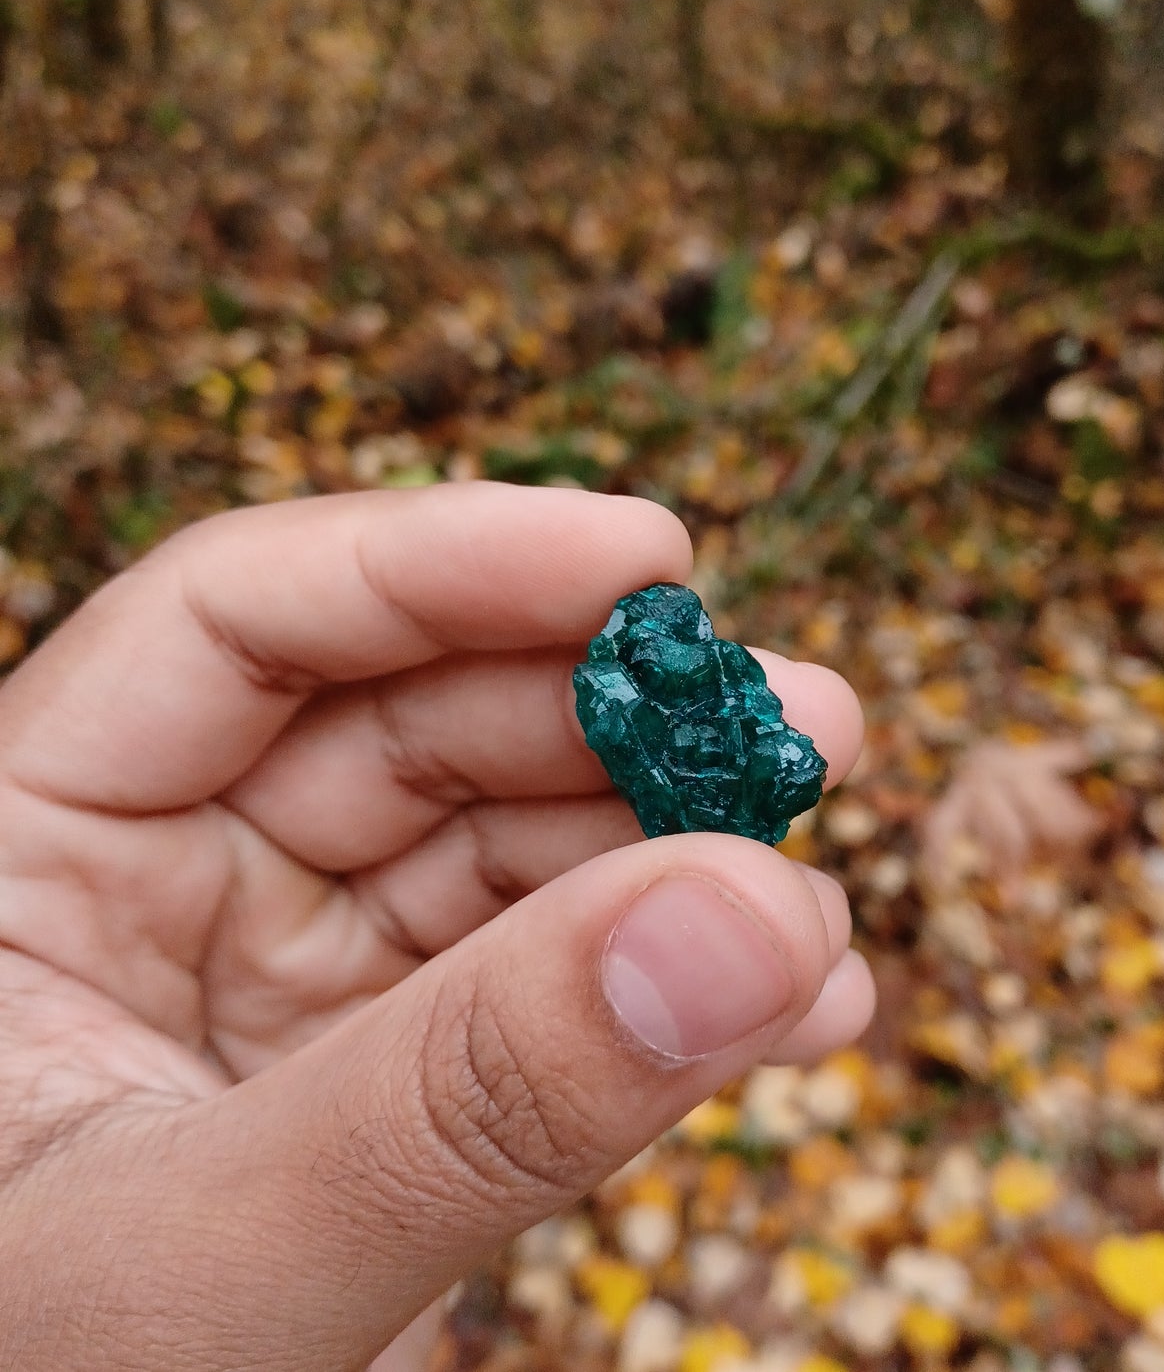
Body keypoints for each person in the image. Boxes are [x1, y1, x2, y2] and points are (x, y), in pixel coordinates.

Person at [0, 484, 876, 1371]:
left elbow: (782, 751)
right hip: (700, 814)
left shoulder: (671, 692)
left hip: (723, 804)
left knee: (797, 757)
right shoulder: (613, 680)